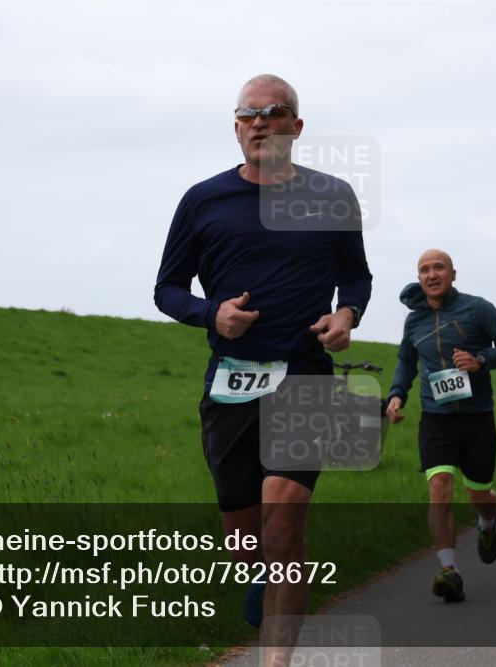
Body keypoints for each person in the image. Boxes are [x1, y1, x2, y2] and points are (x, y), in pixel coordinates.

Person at [154, 74, 372, 657]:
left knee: (284, 518)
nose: (259, 122)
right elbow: (167, 289)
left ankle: (276, 657)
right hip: (231, 380)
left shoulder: (332, 196)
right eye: (247, 114)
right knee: (245, 539)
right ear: (235, 127)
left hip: (303, 374)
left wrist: (347, 313)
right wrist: (211, 315)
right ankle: (260, 574)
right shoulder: (204, 201)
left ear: (295, 127)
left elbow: (356, 275)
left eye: (272, 112)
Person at [385, 249, 496, 602]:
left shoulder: (477, 309)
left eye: (438, 268)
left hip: (477, 418)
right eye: (424, 270)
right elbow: (406, 361)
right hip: (436, 419)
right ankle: (449, 570)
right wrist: (397, 395)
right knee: (439, 487)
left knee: (480, 494)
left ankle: (487, 523)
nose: (431, 274)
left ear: (452, 274)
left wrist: (479, 360)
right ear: (419, 278)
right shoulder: (413, 321)